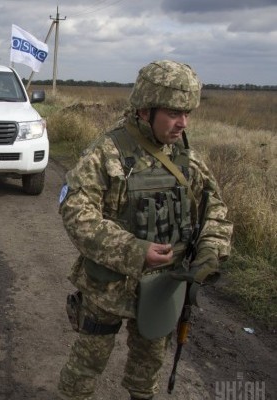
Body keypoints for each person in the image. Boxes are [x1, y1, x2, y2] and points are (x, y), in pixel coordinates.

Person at [57, 60, 233, 400]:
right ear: (144, 110)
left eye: (187, 113)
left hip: (162, 287)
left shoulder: (185, 158)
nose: (182, 123)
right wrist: (136, 251)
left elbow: (216, 208)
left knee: (147, 372)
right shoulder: (106, 154)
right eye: (172, 113)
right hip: (108, 287)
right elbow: (77, 214)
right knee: (85, 368)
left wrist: (210, 251)